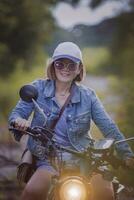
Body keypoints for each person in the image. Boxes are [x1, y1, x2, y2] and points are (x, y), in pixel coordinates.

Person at [9, 42, 134, 200]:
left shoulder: (88, 96)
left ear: (79, 69)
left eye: (71, 65)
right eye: (60, 64)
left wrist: (126, 154)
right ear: (53, 65)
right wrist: (19, 121)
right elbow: (17, 114)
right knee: (31, 192)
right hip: (49, 159)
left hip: (85, 157)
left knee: (105, 192)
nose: (65, 69)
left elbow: (108, 126)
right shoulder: (37, 88)